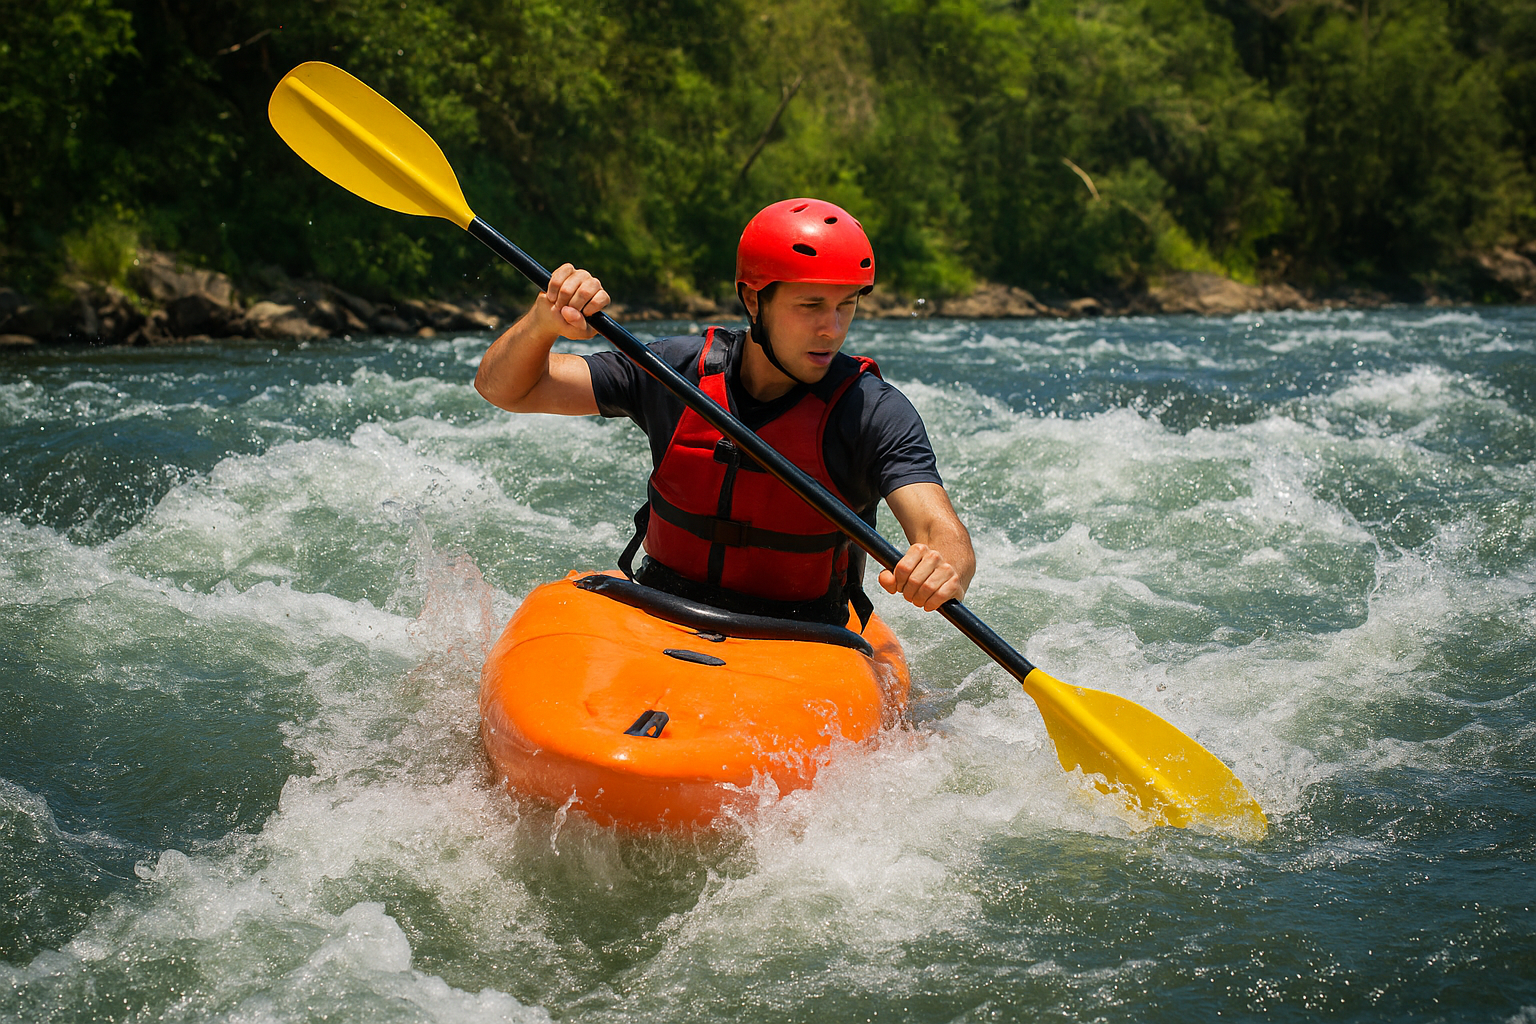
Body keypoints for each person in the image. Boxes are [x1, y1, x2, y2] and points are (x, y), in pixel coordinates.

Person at [474, 198, 974, 628]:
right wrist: (541, 323)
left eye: (847, 305)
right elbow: (506, 389)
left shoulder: (872, 410)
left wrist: (942, 567)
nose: (832, 328)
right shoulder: (674, 370)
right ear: (753, 299)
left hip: (803, 634)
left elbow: (942, 534)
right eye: (811, 305)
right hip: (658, 607)